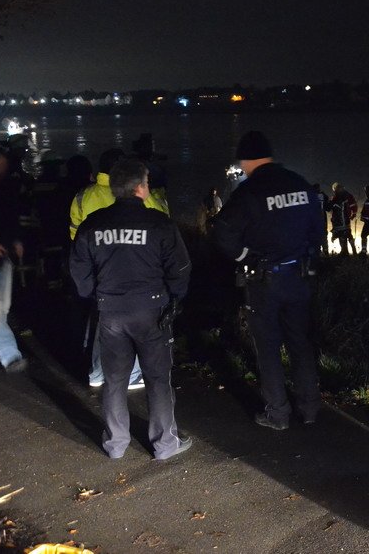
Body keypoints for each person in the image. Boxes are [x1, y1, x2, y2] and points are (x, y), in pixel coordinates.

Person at [69, 158, 192, 460]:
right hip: (151, 310)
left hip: (110, 311)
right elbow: (180, 268)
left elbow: (78, 270)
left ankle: (116, 444)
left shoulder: (92, 225)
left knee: (115, 380)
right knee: (158, 379)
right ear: (140, 188)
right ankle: (165, 444)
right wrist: (175, 299)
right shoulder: (160, 224)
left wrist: (94, 295)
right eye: (147, 182)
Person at [210, 131, 322, 430]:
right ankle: (310, 409)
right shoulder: (299, 183)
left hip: (264, 280)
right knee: (301, 343)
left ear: (246, 160)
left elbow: (222, 231)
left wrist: (246, 256)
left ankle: (278, 414)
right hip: (300, 275)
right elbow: (317, 228)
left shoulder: (249, 191)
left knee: (269, 348)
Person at [71, 147, 168, 389]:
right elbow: (162, 222)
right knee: (133, 324)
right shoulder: (137, 194)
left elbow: (75, 233)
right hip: (136, 269)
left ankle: (96, 371)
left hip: (96, 269)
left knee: (101, 321)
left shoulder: (83, 196)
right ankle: (132, 373)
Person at [0, 145, 28, 373]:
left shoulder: (4, 187)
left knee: (2, 306)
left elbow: (11, 218)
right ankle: (9, 354)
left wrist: (16, 240)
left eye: (0, 166)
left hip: (5, 256)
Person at [328, 182, 357, 256]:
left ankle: (345, 251)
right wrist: (353, 214)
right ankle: (349, 251)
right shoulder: (347, 195)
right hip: (344, 219)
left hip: (340, 220)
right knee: (347, 234)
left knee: (342, 234)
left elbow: (330, 207)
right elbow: (353, 205)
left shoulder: (337, 197)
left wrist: (353, 213)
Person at [358, 184, 369, 255]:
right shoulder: (367, 200)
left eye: (367, 191)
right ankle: (364, 250)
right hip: (368, 222)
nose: (366, 193)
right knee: (363, 235)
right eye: (366, 191)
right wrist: (363, 216)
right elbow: (363, 211)